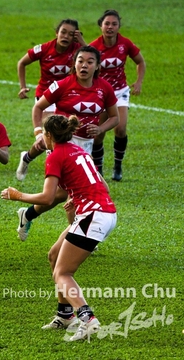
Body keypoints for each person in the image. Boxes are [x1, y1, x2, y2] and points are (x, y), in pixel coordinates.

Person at [1, 114, 117, 342]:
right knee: (54, 255)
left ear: (48, 135)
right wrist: (77, 195)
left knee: (63, 273)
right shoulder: (78, 150)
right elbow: (102, 185)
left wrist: (18, 195)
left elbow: (47, 197)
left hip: (92, 216)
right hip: (102, 212)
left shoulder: (55, 156)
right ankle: (65, 316)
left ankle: (88, 320)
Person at [16, 45, 118, 242]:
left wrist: (100, 129)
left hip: (85, 146)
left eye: (89, 62)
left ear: (97, 66)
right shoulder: (62, 85)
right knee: (69, 193)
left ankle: (29, 215)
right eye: (80, 61)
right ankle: (76, 238)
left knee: (69, 193)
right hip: (61, 144)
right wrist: (38, 133)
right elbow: (38, 107)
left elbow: (115, 118)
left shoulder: (104, 88)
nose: (84, 65)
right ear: (74, 63)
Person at [16, 19, 85, 181]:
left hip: (67, 96)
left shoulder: (78, 50)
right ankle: (54, 176)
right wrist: (22, 86)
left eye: (70, 34)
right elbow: (22, 63)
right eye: (63, 32)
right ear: (56, 33)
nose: (65, 36)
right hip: (46, 97)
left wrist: (82, 42)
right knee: (51, 137)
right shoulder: (44, 49)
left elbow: (94, 59)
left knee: (59, 137)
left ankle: (27, 157)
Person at [89, 9, 146, 181]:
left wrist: (139, 82)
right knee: (98, 134)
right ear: (101, 26)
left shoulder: (125, 43)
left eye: (114, 24)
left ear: (119, 26)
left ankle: (118, 166)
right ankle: (98, 169)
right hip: (100, 94)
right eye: (107, 23)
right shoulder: (94, 47)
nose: (110, 27)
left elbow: (140, 61)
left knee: (120, 129)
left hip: (120, 92)